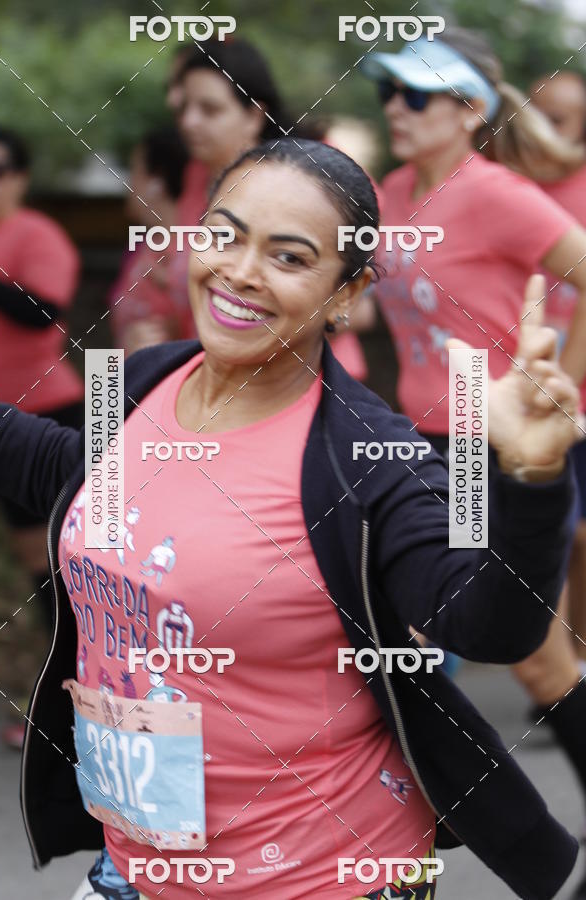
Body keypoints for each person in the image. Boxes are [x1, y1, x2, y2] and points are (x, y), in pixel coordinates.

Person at [0, 139, 583, 900]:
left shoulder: (365, 457)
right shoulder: (137, 377)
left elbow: (489, 628)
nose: (240, 271)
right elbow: (57, 470)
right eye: (224, 235)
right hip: (136, 866)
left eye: (290, 257)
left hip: (321, 876)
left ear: (346, 293)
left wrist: (532, 478)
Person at [361, 32, 586, 893]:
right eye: (389, 92)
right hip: (424, 445)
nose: (396, 108)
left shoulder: (497, 195)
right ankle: (404, 848)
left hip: (488, 445)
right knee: (418, 644)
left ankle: (441, 843)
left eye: (416, 95)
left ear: (469, 109)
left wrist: (560, 385)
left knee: (528, 661)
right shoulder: (388, 194)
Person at [172, 38, 372, 378]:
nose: (189, 121)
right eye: (183, 107)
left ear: (254, 115)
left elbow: (362, 310)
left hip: (305, 385)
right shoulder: (195, 177)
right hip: (214, 382)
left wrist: (258, 341)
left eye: (210, 109)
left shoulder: (322, 175)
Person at [0, 127, 83, 747]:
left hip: (42, 419)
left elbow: (42, 312)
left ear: (20, 177)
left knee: (49, 563)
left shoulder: (36, 234)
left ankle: (67, 697)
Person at [530, 71, 586, 668]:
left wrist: (561, 386)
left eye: (559, 120)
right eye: (535, 114)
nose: (543, 131)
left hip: (568, 398)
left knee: (578, 535)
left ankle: (570, 669)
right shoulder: (511, 185)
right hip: (490, 404)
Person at [107, 127, 190, 355]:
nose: (128, 183)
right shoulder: (141, 248)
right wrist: (100, 378)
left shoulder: (184, 256)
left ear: (157, 182)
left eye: (134, 170)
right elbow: (119, 341)